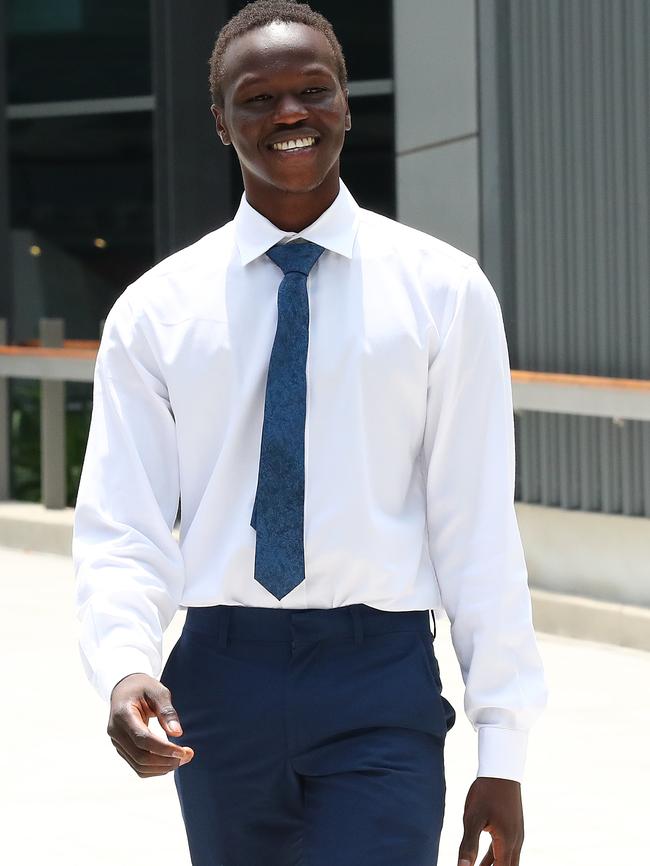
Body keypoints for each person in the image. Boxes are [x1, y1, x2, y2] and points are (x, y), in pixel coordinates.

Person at [72, 2, 548, 865]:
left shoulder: (444, 291)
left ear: (346, 103)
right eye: (258, 99)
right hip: (219, 675)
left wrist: (503, 749)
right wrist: (122, 664)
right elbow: (123, 524)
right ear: (221, 122)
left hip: (380, 676)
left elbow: (475, 525)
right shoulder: (155, 313)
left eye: (312, 91)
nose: (289, 113)